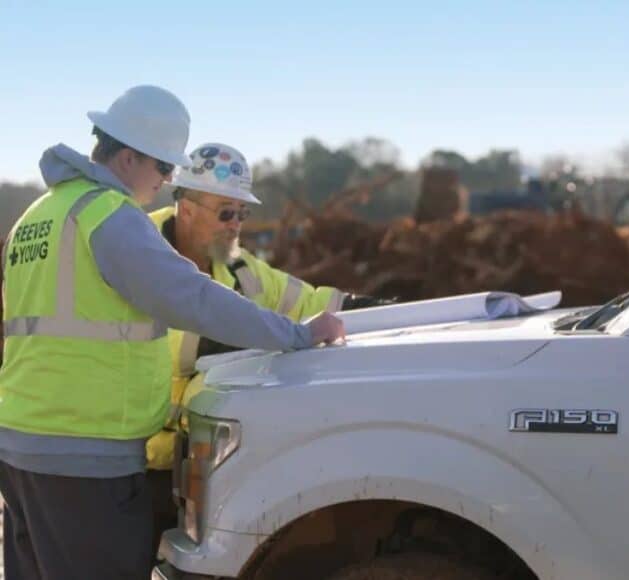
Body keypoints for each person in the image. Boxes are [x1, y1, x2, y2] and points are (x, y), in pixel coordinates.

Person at [0, 85, 344, 580]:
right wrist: (297, 336)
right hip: (82, 454)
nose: (165, 183)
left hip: (21, 444)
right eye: (163, 168)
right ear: (127, 156)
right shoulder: (110, 217)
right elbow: (193, 297)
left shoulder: (38, 216)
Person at [145, 142, 389, 549]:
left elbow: (307, 302)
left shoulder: (238, 267)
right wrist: (252, 336)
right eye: (225, 213)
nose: (235, 225)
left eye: (243, 213)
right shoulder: (138, 252)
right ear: (186, 208)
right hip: (135, 461)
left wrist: (375, 310)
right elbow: (165, 343)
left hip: (200, 462)